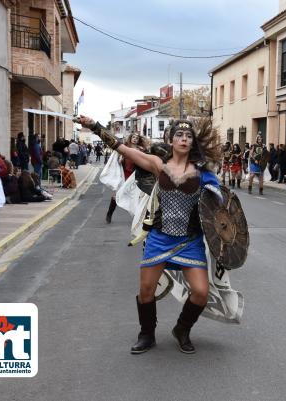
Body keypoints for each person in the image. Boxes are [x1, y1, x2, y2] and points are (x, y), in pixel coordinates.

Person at [76, 114, 224, 354]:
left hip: (189, 241)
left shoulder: (203, 174)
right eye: (179, 135)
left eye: (188, 136)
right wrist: (94, 126)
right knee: (146, 291)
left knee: (200, 292)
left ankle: (182, 329)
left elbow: (220, 209)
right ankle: (147, 334)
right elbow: (123, 148)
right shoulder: (158, 165)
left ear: (193, 142)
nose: (184, 139)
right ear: (171, 139)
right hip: (159, 237)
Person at [106, 133, 145, 223]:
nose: (135, 139)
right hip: (124, 174)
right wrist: (120, 159)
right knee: (116, 196)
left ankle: (137, 217)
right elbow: (119, 160)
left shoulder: (140, 149)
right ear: (130, 138)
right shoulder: (125, 148)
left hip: (135, 175)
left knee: (136, 196)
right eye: (133, 137)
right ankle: (109, 213)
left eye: (137, 138)